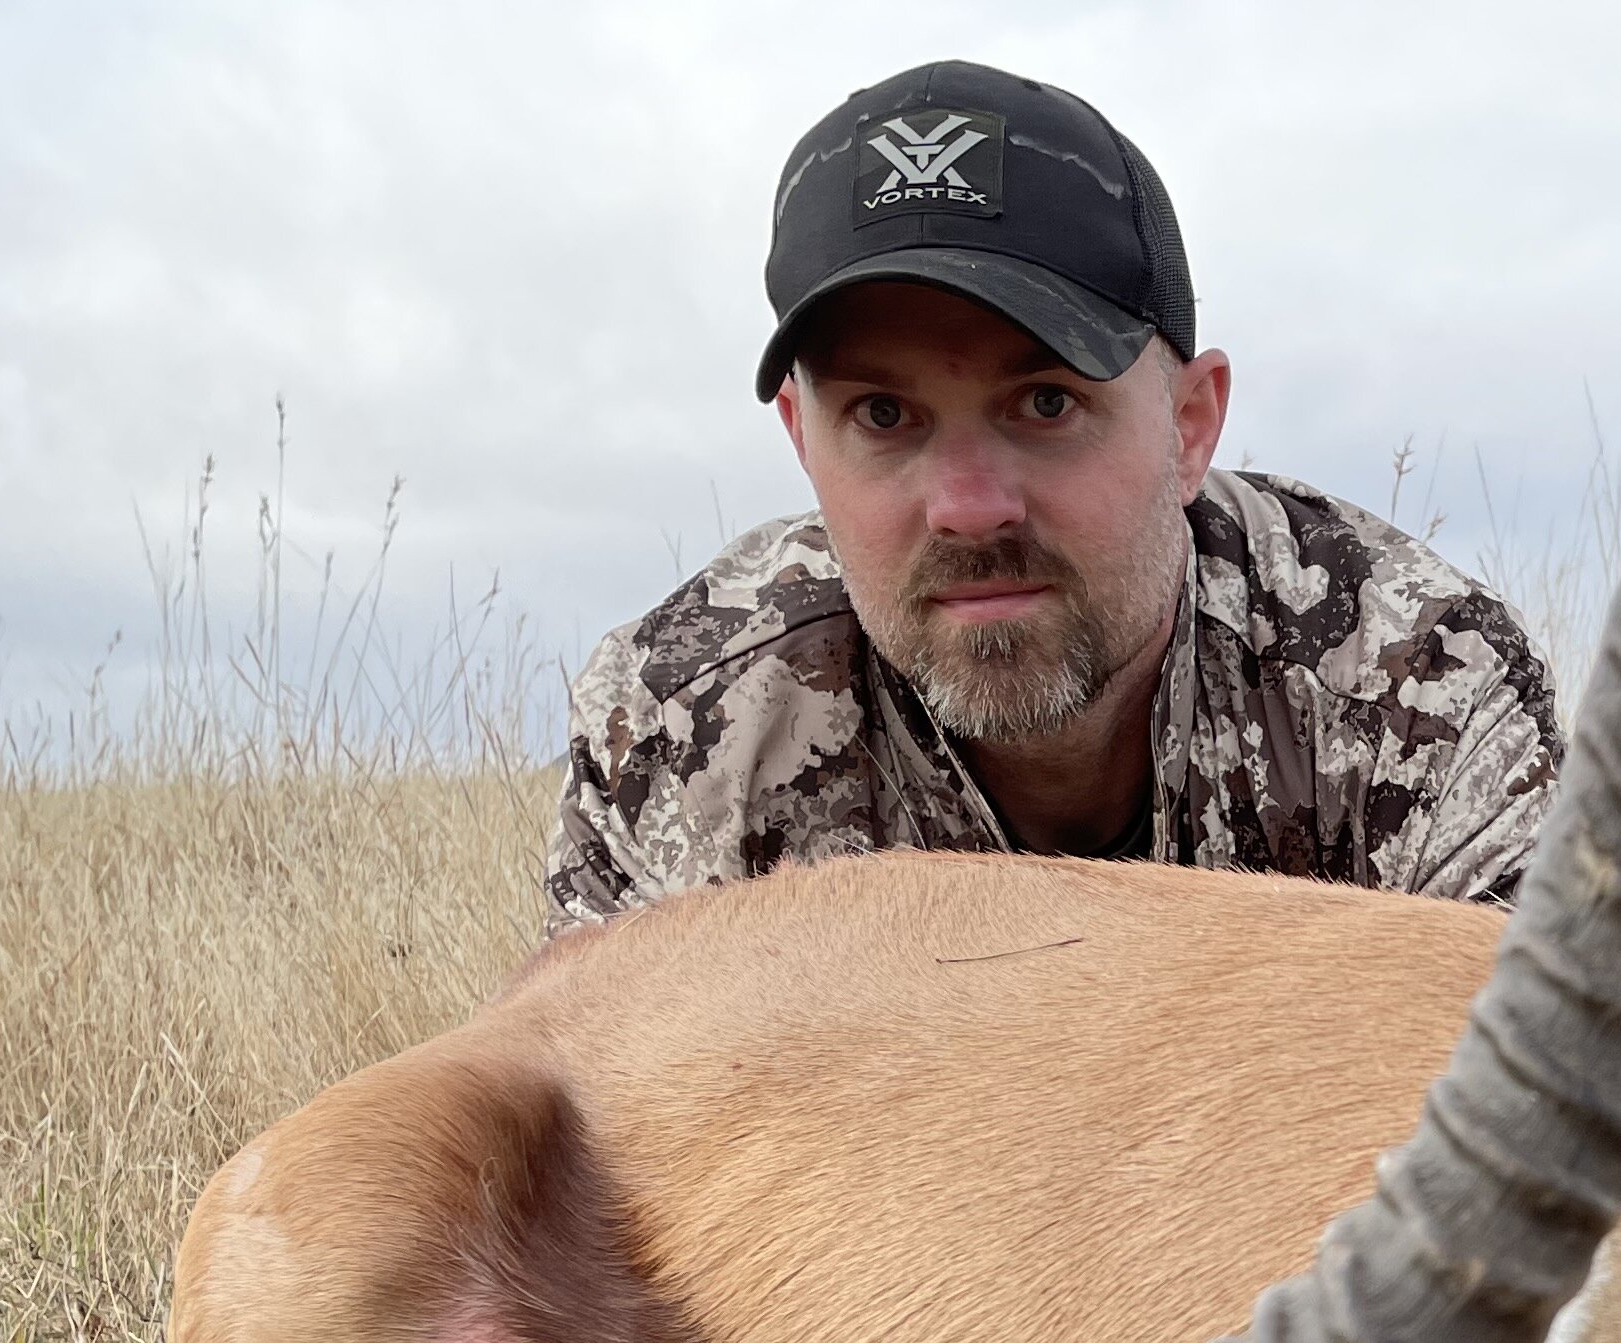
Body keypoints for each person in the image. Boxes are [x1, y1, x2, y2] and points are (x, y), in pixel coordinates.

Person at [548, 60, 1563, 928]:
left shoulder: (1419, 686)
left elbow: (1559, 1109)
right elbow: (590, 1121)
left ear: (1190, 425)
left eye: (1044, 401)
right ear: (804, 444)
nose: (970, 506)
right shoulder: (677, 729)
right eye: (884, 418)